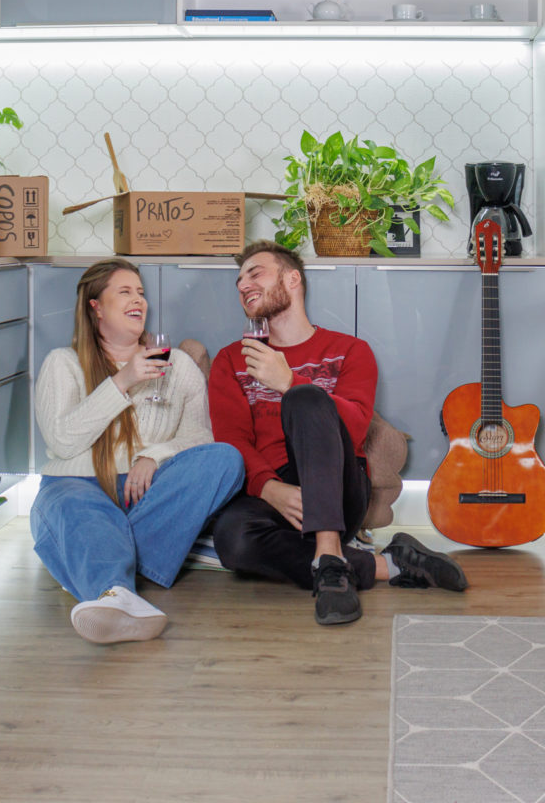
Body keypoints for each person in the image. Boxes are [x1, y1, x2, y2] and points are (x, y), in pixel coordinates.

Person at [209, 240, 467, 626]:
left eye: (255, 273)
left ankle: (329, 555)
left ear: (292, 279)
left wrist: (289, 382)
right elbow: (231, 441)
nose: (243, 285)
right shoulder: (231, 359)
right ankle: (389, 565)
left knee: (307, 398)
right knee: (233, 540)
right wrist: (267, 487)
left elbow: (358, 427)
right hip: (272, 491)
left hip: (339, 484)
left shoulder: (350, 350)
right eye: (239, 280)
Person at [31, 257, 244, 645]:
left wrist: (155, 455)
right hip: (77, 483)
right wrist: (123, 380)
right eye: (125, 292)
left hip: (147, 491)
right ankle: (116, 590)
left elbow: (202, 436)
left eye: (141, 293)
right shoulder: (63, 363)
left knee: (227, 459)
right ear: (95, 306)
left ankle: (102, 568)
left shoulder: (177, 364)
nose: (139, 300)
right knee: (80, 510)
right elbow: (62, 442)